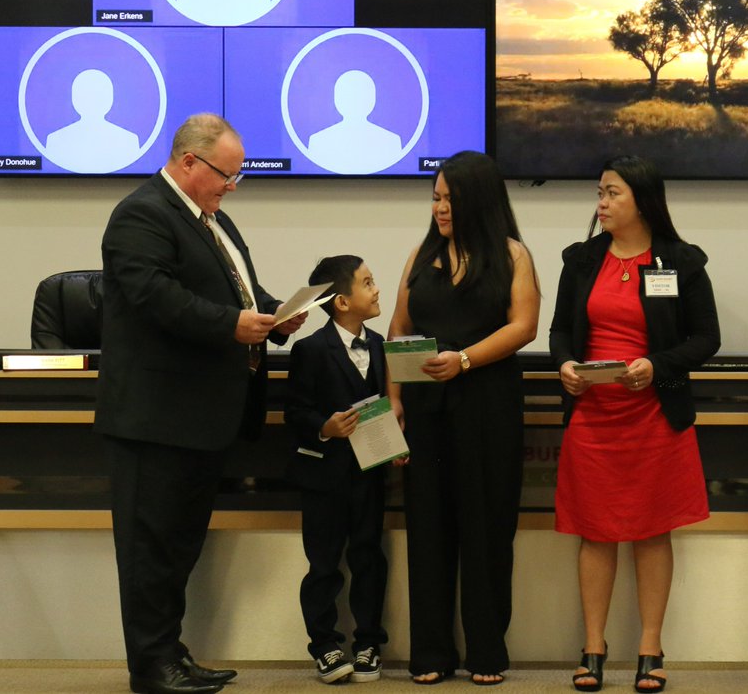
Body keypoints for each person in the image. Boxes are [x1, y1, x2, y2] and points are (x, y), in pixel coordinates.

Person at [96, 113, 307, 694]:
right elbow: (154, 296)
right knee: (149, 553)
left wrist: (276, 314)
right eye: (225, 174)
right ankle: (151, 668)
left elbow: (237, 290)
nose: (230, 186)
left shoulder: (214, 221)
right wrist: (233, 325)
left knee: (177, 549)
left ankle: (171, 653)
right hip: (154, 421)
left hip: (199, 422)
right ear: (189, 162)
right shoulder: (141, 213)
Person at [549, 155, 720, 693]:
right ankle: (593, 648)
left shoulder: (680, 261)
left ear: (642, 200)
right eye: (599, 193)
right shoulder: (580, 261)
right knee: (595, 533)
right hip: (594, 418)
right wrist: (566, 367)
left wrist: (657, 365)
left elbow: (704, 339)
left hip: (654, 415)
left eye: (611, 194)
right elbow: (559, 332)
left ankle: (650, 647)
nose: (601, 204)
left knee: (652, 532)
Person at [387, 150, 539, 686]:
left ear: (477, 199)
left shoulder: (511, 254)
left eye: (450, 198)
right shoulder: (420, 255)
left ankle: (486, 652)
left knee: (486, 527)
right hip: (426, 407)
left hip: (487, 404)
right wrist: (395, 398)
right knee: (428, 527)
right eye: (436, 198)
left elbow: (524, 326)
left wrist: (466, 359)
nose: (441, 208)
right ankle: (429, 653)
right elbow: (399, 331)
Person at [285, 255, 403, 684]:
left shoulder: (379, 347)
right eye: (368, 282)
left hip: (369, 474)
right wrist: (324, 427)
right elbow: (294, 410)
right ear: (340, 302)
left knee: (369, 556)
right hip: (324, 476)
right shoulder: (309, 349)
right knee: (323, 564)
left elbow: (386, 406)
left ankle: (369, 641)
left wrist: (395, 445)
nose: (377, 289)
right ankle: (325, 646)